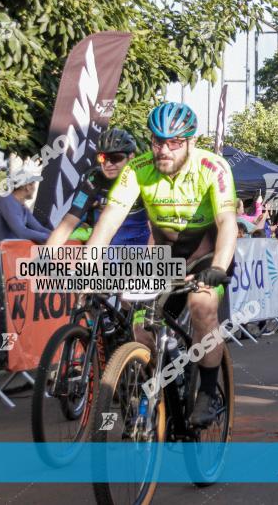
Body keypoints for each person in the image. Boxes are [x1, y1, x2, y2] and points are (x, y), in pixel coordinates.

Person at [88, 102, 238, 427]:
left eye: (174, 142)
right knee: (141, 330)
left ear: (191, 142)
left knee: (201, 306)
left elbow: (227, 222)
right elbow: (109, 220)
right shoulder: (138, 168)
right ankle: (161, 394)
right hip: (163, 259)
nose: (164, 149)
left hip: (207, 257)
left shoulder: (213, 167)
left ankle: (208, 395)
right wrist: (89, 262)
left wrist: (220, 267)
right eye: (158, 141)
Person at [46, 128, 150, 246]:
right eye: (103, 158)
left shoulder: (144, 178)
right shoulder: (94, 180)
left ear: (131, 157)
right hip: (109, 248)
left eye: (116, 158)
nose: (108, 164)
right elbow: (67, 223)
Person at [0, 165, 51, 244]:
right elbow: (22, 232)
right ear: (27, 186)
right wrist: (49, 237)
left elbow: (39, 228)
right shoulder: (7, 201)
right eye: (33, 184)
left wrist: (58, 235)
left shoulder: (21, 205)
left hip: (7, 251)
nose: (34, 187)